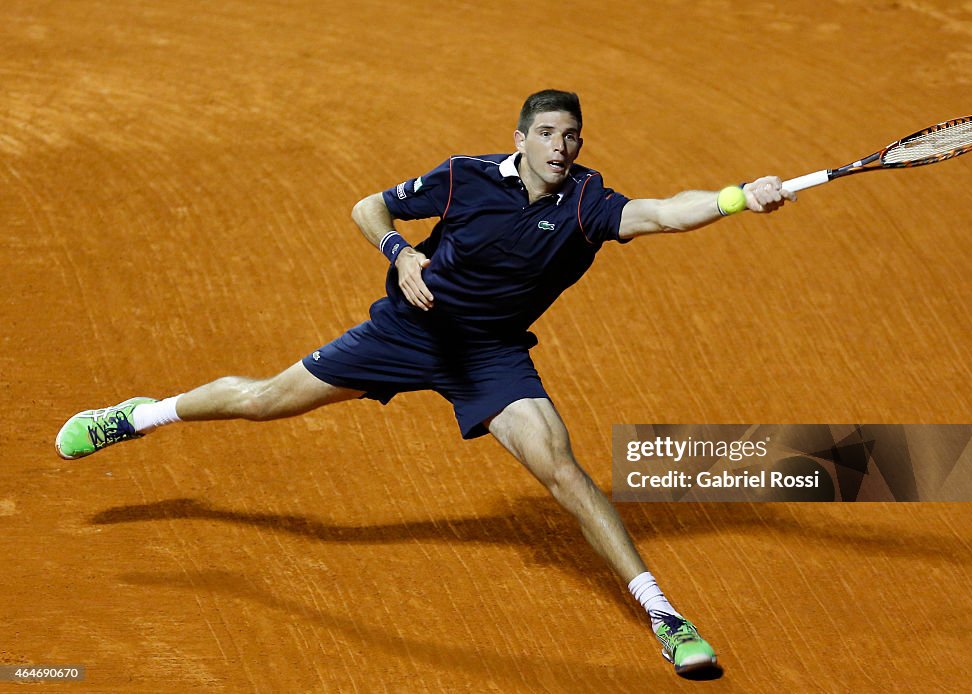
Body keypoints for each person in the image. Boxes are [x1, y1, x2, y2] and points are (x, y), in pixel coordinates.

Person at [55, 89, 794, 677]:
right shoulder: (463, 176)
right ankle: (142, 415)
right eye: (549, 134)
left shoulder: (588, 204)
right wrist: (400, 254)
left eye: (573, 136)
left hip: (490, 356)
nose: (563, 148)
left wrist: (736, 198)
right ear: (521, 138)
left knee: (563, 473)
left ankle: (666, 616)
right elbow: (366, 206)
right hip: (405, 335)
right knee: (261, 402)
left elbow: (663, 213)